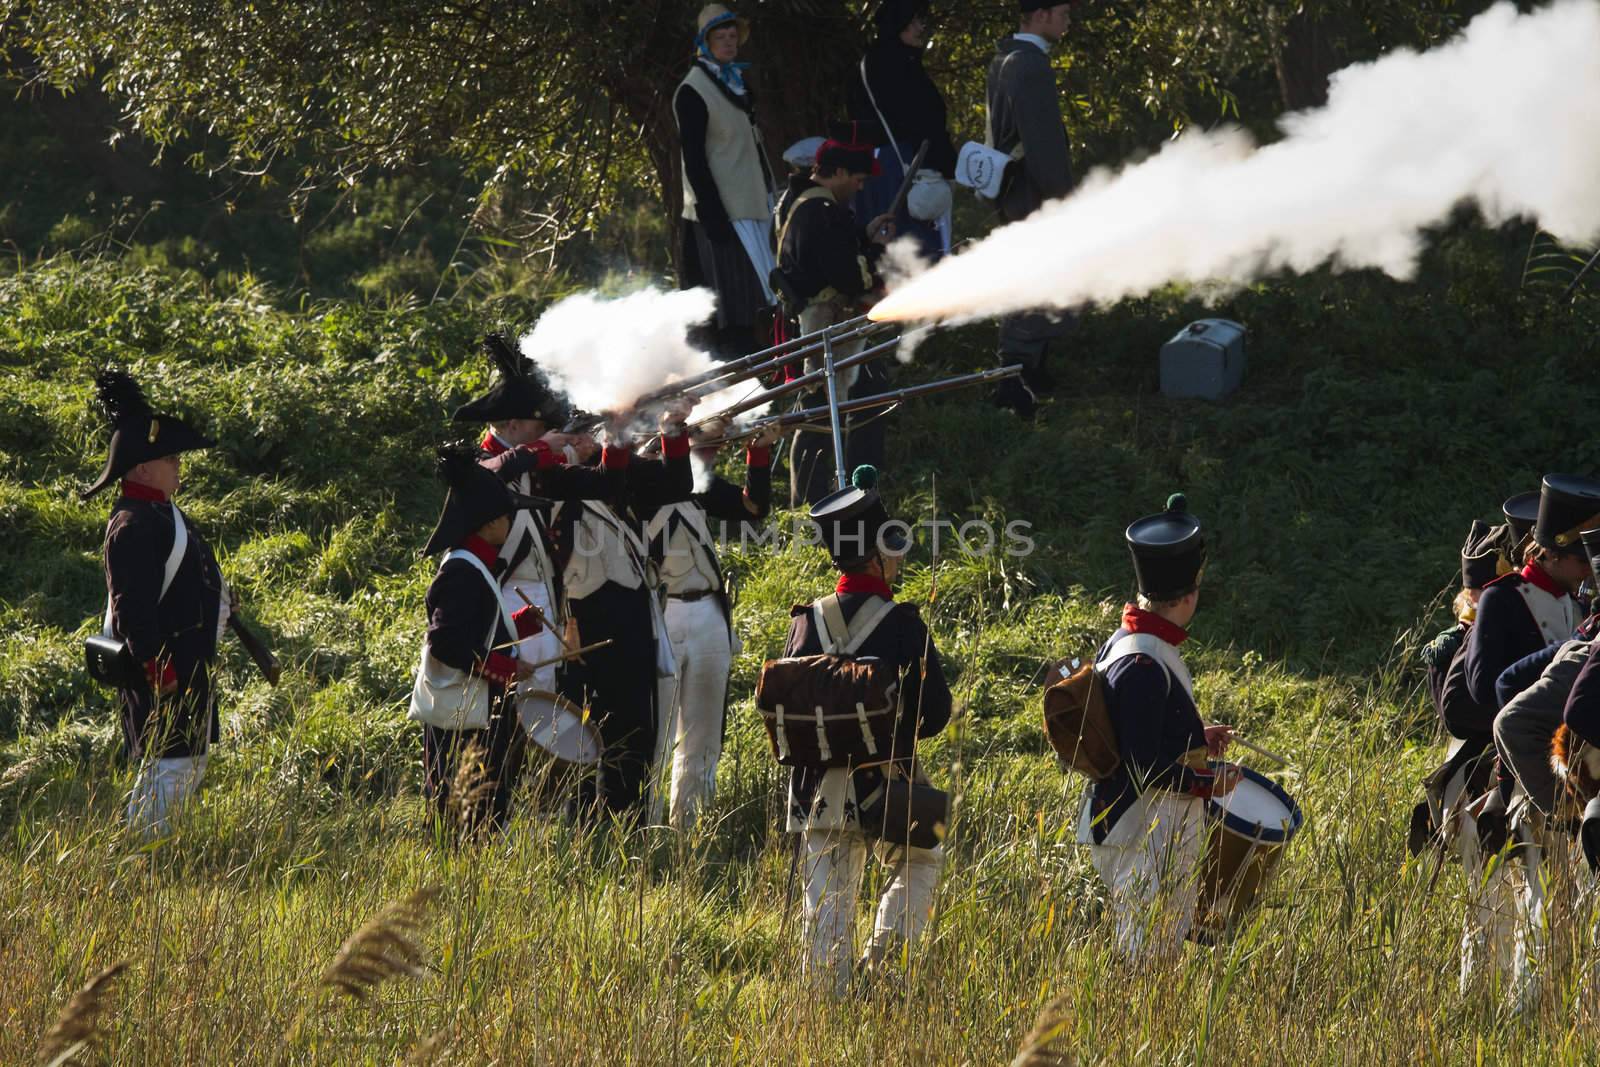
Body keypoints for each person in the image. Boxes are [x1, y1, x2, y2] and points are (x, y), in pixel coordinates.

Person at [785, 465, 951, 995]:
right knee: (921, 859)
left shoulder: (805, 620)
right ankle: (883, 972)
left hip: (814, 788)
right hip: (886, 778)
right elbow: (937, 713)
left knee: (826, 901)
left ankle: (826, 999)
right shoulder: (903, 624)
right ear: (877, 554)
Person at [1076, 493, 1238, 962]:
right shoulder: (1144, 663)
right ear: (1187, 597)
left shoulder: (1131, 639)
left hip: (1138, 826)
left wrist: (1195, 738)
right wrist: (1208, 782)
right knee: (1144, 961)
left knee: (1155, 954)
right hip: (1139, 829)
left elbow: (1139, 732)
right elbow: (1143, 766)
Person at [84, 370, 231, 839]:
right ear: (142, 468)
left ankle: (153, 860)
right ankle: (142, 864)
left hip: (186, 666)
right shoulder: (132, 524)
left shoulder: (159, 514)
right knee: (169, 772)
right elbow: (133, 613)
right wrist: (159, 671)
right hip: (165, 673)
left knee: (183, 766)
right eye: (169, 458)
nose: (177, 466)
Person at [552, 411, 692, 819]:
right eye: (579, 437)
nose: (586, 442)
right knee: (580, 728)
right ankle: (580, 822)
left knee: (634, 730)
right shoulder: (555, 480)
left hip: (631, 620)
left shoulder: (620, 476)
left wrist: (673, 428)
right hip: (581, 620)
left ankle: (626, 822)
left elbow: (677, 483)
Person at [644, 423, 780, 830]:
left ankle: (690, 828)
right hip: (659, 613)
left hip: (707, 613)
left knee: (703, 738)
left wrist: (758, 455)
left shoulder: (699, 484)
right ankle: (647, 827)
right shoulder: (637, 482)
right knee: (656, 736)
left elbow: (755, 507)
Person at [411, 447, 546, 836]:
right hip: (463, 719)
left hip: (473, 711)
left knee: (484, 811)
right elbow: (446, 642)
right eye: (505, 515)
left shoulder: (474, 565)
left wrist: (519, 624)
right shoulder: (463, 571)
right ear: (488, 523)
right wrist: (506, 669)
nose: (509, 522)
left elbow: (474, 630)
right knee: (463, 818)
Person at [775, 123, 897, 506]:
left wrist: (861, 236)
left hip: (822, 319)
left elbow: (825, 255)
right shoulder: (823, 211)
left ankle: (843, 496)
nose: (860, 187)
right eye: (857, 179)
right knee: (821, 413)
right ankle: (812, 504)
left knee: (835, 404)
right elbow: (849, 276)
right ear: (840, 172)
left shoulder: (799, 203)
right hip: (829, 320)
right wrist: (874, 251)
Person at [985, 0, 1078, 418]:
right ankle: (1013, 382)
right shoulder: (1031, 65)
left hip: (1013, 190)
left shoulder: (1004, 58)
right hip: (1033, 193)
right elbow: (1044, 145)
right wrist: (1061, 196)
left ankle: (1030, 371)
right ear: (1040, 14)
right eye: (1062, 11)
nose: (1068, 18)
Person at [674, 3, 777, 360]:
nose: (730, 43)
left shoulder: (734, 82)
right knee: (734, 301)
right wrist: (710, 209)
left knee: (758, 294)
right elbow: (694, 158)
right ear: (706, 42)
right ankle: (737, 371)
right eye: (722, 37)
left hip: (750, 202)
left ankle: (766, 365)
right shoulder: (694, 90)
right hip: (723, 209)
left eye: (733, 36)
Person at [849, 0, 956, 260]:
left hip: (885, 170)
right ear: (900, 25)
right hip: (903, 169)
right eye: (915, 21)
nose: (921, 27)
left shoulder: (878, 62)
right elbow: (921, 121)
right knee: (916, 252)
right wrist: (947, 163)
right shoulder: (895, 66)